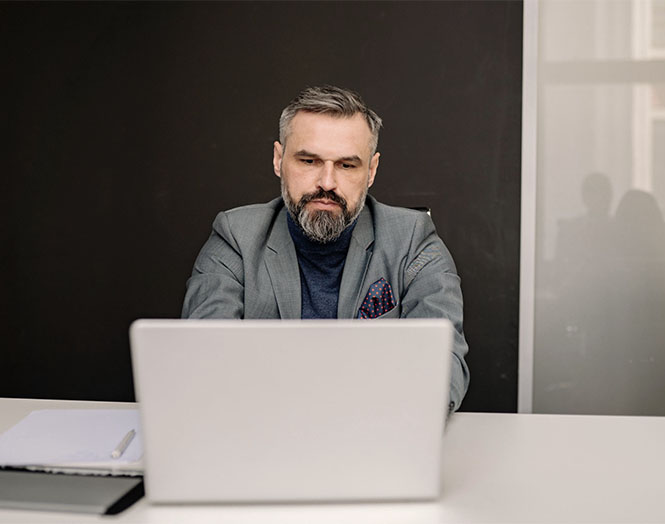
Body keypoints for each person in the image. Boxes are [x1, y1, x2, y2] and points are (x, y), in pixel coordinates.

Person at [182, 85, 469, 411]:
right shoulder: (235, 237)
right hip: (264, 431)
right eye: (309, 161)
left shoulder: (413, 240)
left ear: (371, 171)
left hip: (370, 432)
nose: (327, 183)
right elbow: (204, 361)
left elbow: (443, 369)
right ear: (278, 159)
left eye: (347, 165)